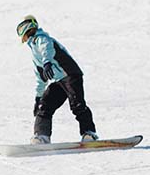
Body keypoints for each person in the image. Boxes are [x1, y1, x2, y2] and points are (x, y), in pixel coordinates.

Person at [16, 15, 98, 144]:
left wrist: (47, 62)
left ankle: (89, 133)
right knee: (44, 105)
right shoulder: (34, 53)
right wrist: (38, 98)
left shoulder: (42, 38)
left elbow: (47, 49)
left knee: (77, 105)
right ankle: (42, 136)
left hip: (70, 75)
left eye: (22, 31)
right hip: (58, 81)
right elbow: (41, 77)